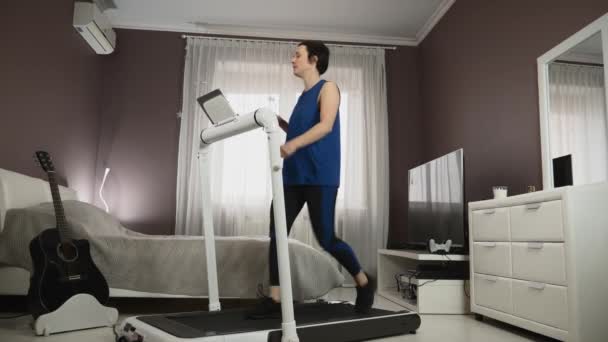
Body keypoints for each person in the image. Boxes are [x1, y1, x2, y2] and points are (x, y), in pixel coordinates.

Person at [248, 40, 375, 319]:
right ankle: (275, 299)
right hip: (293, 175)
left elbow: (325, 125)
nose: (292, 59)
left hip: (320, 175)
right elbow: (301, 129)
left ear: (314, 59)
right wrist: (280, 123)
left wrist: (291, 145)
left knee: (326, 238)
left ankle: (364, 282)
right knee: (276, 232)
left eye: (298, 55)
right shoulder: (302, 97)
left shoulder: (328, 88)